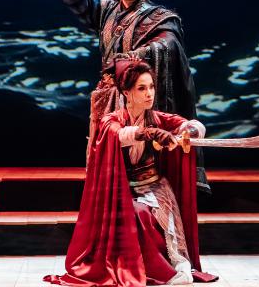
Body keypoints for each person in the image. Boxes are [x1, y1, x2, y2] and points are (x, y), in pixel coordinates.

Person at [33, 0, 208, 192]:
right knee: (108, 166)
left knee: (141, 163)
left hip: (141, 101)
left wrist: (127, 61)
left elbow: (168, 44)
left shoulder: (161, 18)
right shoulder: (106, 12)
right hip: (109, 102)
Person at [45, 60, 217, 285]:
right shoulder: (112, 120)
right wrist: (149, 133)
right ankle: (143, 269)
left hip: (155, 190)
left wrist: (187, 132)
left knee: (148, 214)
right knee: (138, 213)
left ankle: (160, 266)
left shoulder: (156, 117)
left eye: (151, 87)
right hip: (119, 191)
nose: (149, 94)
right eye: (142, 88)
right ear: (126, 93)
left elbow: (193, 125)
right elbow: (118, 134)